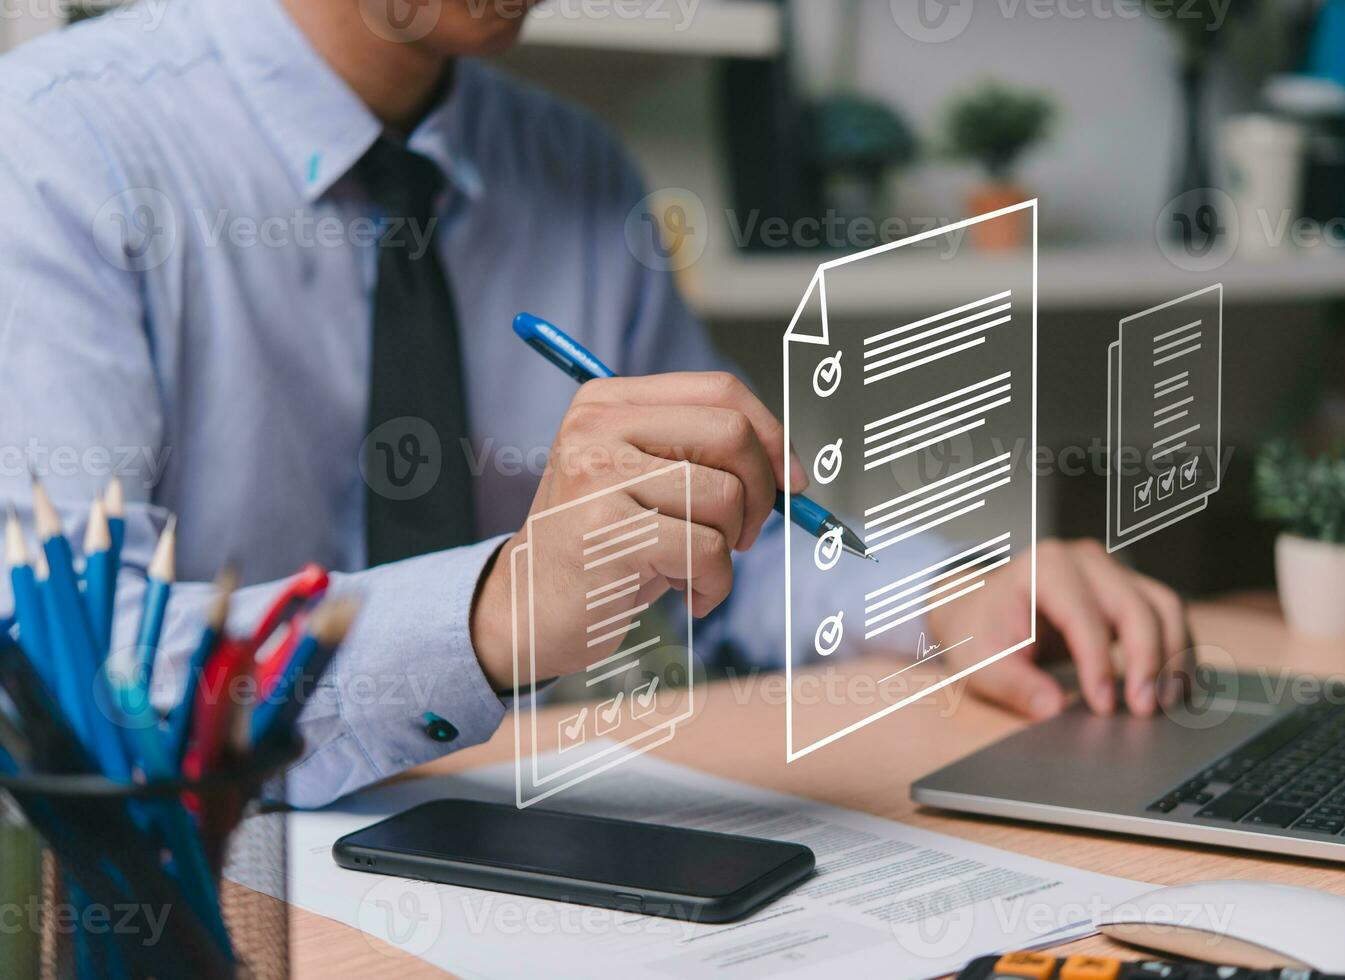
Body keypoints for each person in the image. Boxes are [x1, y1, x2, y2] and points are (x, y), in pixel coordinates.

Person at [0, 0, 1189, 807]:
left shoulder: (577, 168)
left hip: (528, 848)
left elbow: (730, 549)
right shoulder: (56, 144)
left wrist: (947, 593)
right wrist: (496, 609)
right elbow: (60, 671)